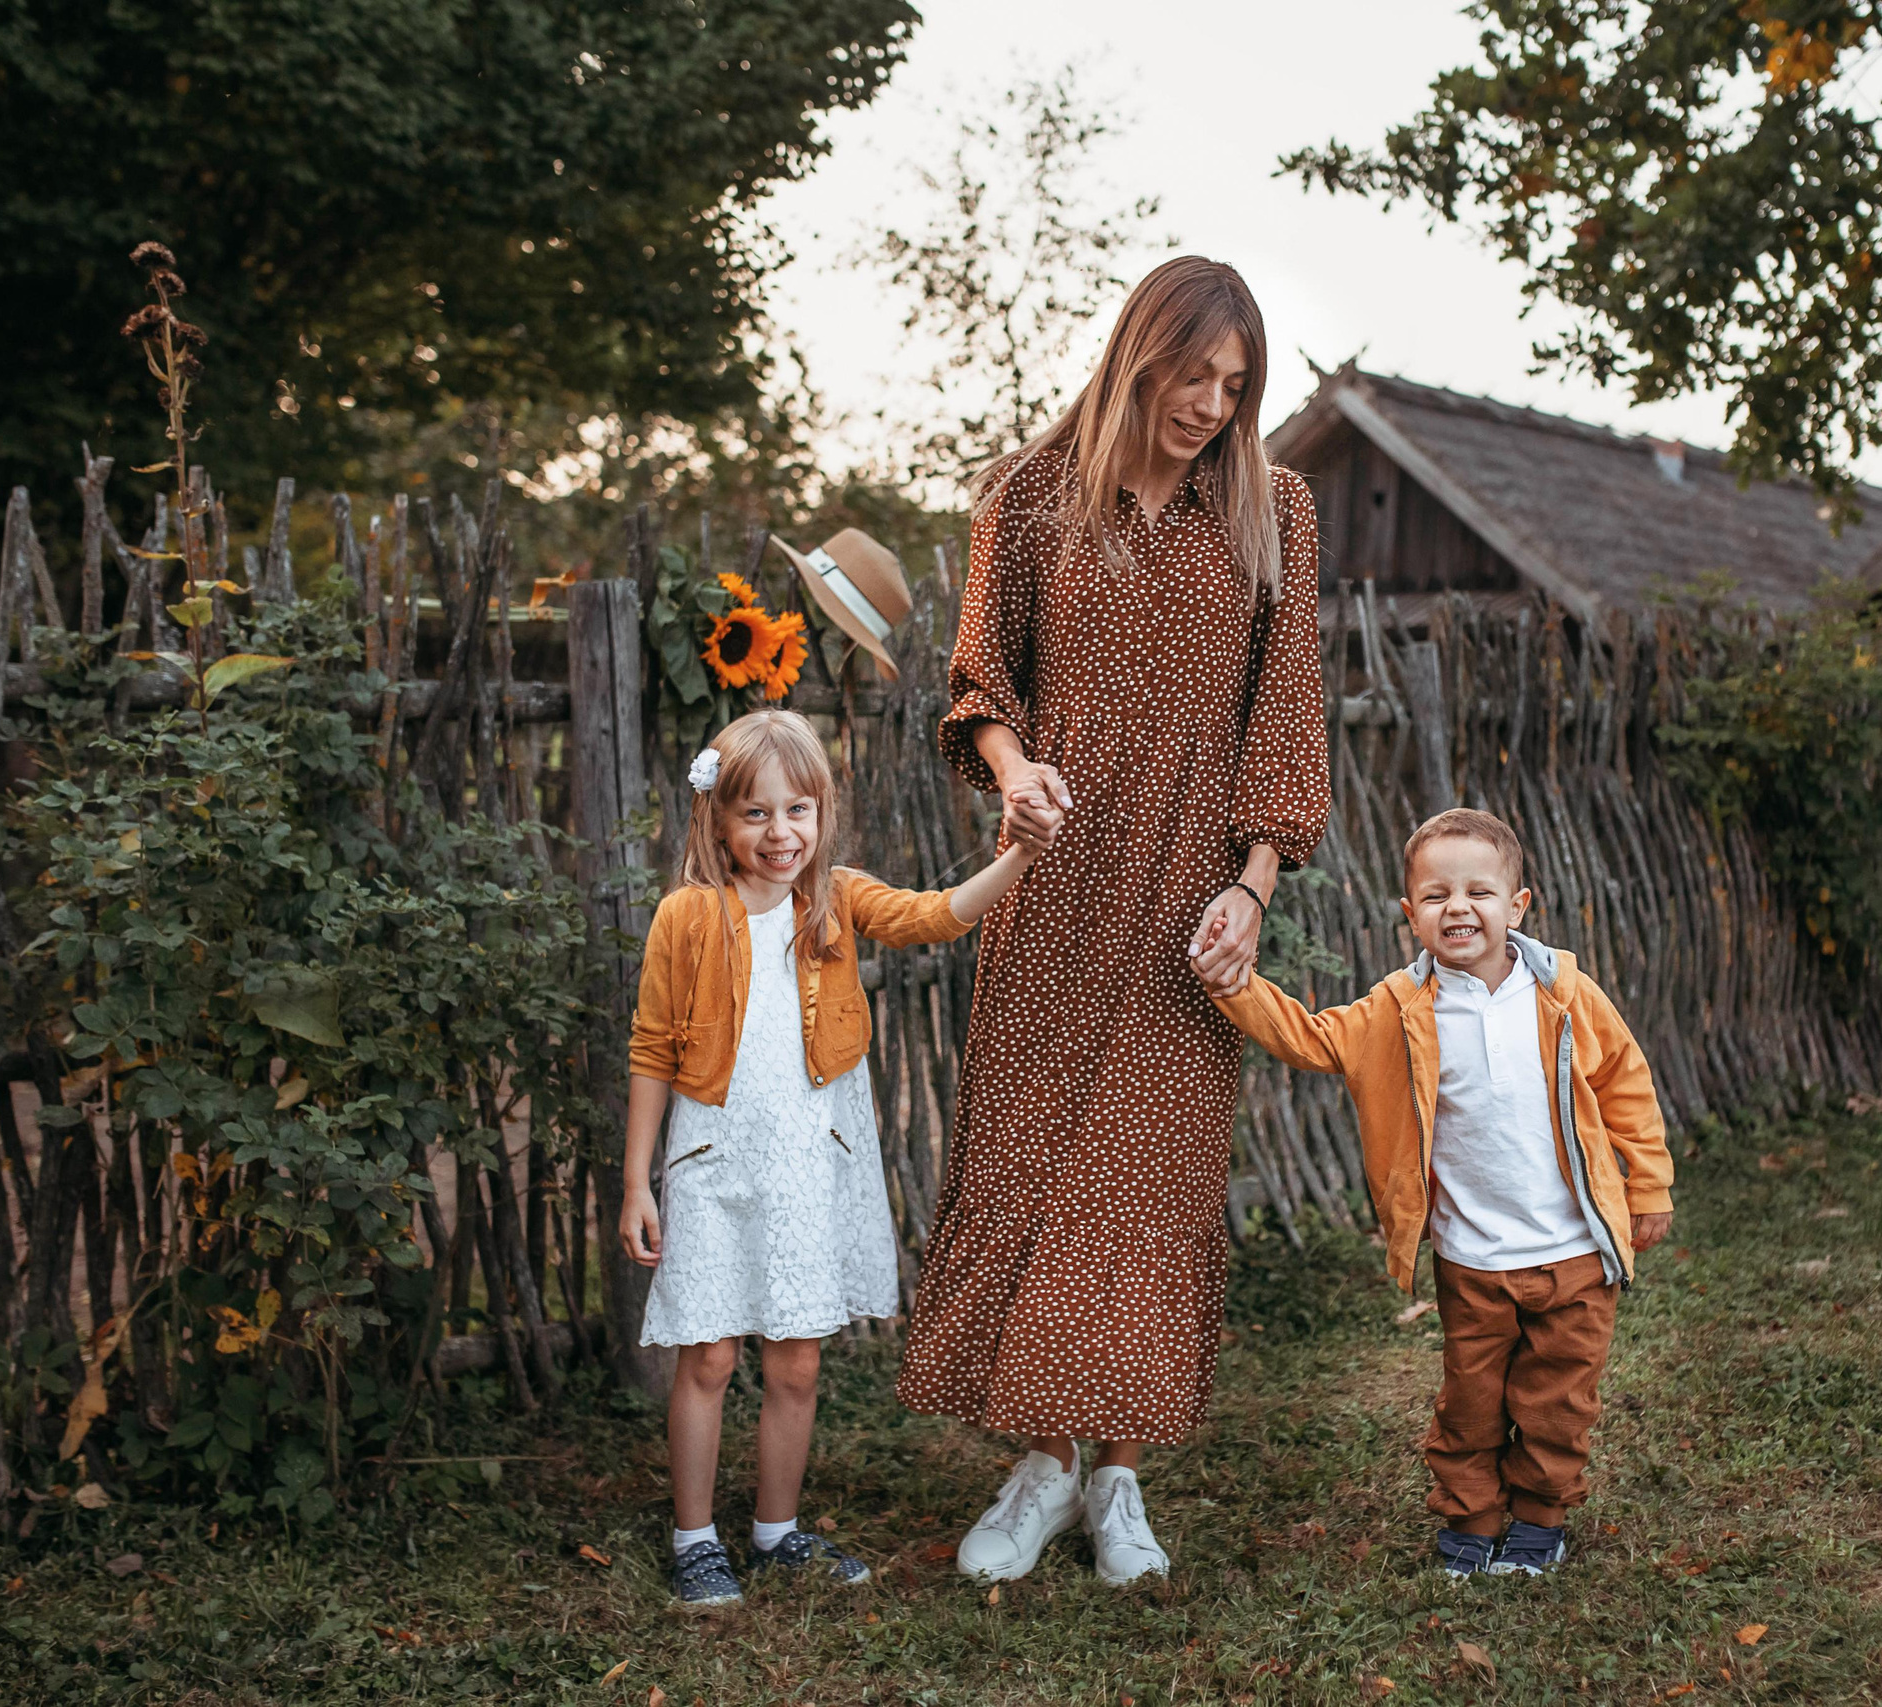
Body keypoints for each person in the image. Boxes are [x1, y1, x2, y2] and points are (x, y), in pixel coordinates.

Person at [895, 256, 1330, 1587]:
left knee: (1152, 1177)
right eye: (1191, 373)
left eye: (1235, 384)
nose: (1210, 403)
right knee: (1031, 1155)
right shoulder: (1029, 494)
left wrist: (1253, 884)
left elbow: (1287, 707)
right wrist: (1017, 772)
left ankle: (1122, 1477)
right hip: (1063, 873)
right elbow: (979, 682)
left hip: (1195, 892)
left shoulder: (1277, 507)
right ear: (1140, 354)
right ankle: (1038, 1464)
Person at [620, 709, 1043, 1608]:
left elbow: (936, 916)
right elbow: (653, 1048)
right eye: (757, 814)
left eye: (799, 811)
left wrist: (1018, 857)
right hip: (714, 1156)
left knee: (796, 1360)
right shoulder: (687, 917)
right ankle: (694, 1538)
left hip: (811, 1159)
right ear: (718, 819)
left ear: (822, 815)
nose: (781, 834)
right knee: (708, 1357)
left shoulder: (837, 901)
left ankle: (775, 1531)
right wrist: (635, 1181)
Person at [1196, 808, 1675, 1579]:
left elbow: (1627, 1084)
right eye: (1437, 894)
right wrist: (1236, 984)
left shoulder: (1564, 992)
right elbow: (1312, 1037)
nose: (1459, 906)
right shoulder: (1398, 1008)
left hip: (1575, 1254)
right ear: (1408, 913)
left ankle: (1539, 1519)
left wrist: (1647, 1185)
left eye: (1480, 891)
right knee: (1473, 1402)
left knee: (1558, 1403)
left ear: (1517, 906)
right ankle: (1473, 1516)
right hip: (1473, 1258)